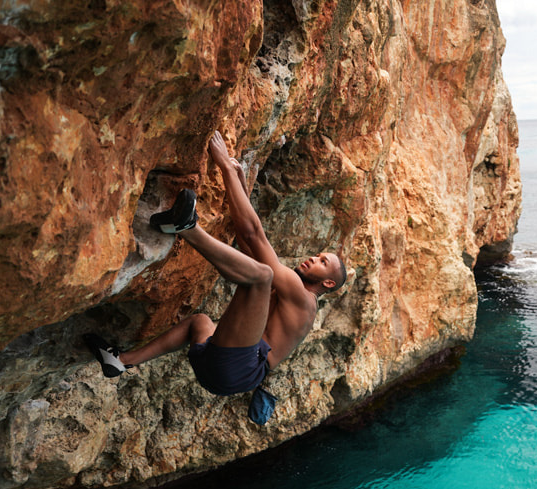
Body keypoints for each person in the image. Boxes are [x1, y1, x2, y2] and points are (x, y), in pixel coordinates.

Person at [85, 131, 346, 396]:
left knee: (262, 277)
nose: (313, 258)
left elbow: (253, 237)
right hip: (221, 372)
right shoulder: (294, 297)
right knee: (199, 322)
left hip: (239, 368)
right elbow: (250, 247)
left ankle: (187, 228)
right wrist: (240, 184)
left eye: (323, 262)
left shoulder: (301, 297)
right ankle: (122, 361)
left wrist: (225, 166)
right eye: (318, 255)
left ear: (327, 282)